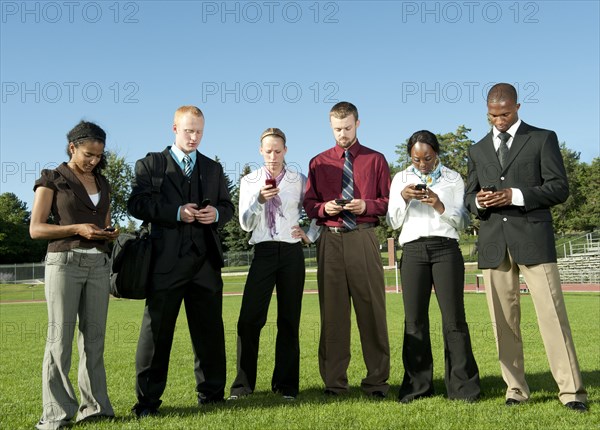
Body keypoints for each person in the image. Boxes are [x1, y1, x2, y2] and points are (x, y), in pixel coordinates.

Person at [465, 83, 588, 411]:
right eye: (493, 115)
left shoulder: (542, 139)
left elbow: (559, 187)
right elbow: (468, 197)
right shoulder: (477, 150)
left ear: (518, 107)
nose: (499, 121)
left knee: (552, 317)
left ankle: (572, 392)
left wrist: (515, 195)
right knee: (503, 324)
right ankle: (515, 389)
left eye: (504, 113)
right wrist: (478, 201)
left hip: (534, 240)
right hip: (494, 246)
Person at [128, 105, 234, 416]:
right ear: (174, 128)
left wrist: (215, 213)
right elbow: (136, 203)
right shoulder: (151, 164)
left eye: (199, 131)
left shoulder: (213, 169)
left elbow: (227, 206)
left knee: (210, 333)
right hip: (165, 263)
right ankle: (147, 402)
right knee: (156, 334)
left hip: (205, 263)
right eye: (188, 130)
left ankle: (212, 396)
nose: (194, 136)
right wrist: (176, 212)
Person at [30, 121, 118, 429]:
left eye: (99, 155)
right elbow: (36, 229)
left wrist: (109, 234)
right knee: (60, 341)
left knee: (94, 340)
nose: (94, 160)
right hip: (63, 263)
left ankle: (96, 407)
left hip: (97, 264)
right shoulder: (52, 179)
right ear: (73, 148)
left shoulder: (103, 183)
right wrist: (76, 228)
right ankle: (55, 415)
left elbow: (103, 224)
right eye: (88, 154)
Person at [303, 101, 391, 398]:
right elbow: (309, 204)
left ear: (358, 124)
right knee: (333, 314)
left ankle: (377, 382)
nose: (342, 134)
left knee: (372, 311)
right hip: (330, 239)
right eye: (338, 129)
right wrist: (323, 208)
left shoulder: (376, 160)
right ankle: (334, 383)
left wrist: (367, 205)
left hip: (364, 237)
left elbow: (389, 202)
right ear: (331, 126)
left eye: (348, 128)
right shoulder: (317, 162)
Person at [387, 130, 481, 403]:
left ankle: (463, 388)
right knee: (414, 322)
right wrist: (404, 199)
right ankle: (417, 387)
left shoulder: (453, 178)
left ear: (437, 154)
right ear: (410, 157)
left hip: (446, 250)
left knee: (454, 321)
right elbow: (392, 222)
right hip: (414, 251)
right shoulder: (400, 179)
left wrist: (440, 205)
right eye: (416, 159)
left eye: (427, 158)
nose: (422, 164)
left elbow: (463, 222)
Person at [229, 128, 320, 401]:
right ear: (260, 151)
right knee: (248, 320)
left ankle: (286, 386)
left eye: (278, 151)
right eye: (268, 151)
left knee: (289, 321)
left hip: (291, 253)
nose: (273, 156)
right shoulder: (250, 180)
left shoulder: (298, 179)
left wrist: (309, 235)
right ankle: (243, 386)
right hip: (263, 253)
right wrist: (259, 200)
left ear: (286, 151)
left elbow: (317, 210)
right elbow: (245, 224)